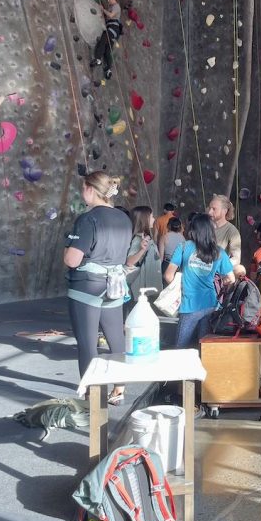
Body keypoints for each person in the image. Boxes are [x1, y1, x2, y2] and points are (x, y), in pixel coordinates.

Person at [64, 172, 132, 404]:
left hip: (87, 286)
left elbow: (72, 259)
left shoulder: (87, 219)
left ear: (91, 189)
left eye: (83, 188)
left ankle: (93, 397)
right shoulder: (124, 218)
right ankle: (119, 389)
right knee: (116, 340)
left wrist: (67, 247)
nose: (82, 193)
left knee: (88, 343)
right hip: (114, 284)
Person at [164, 214, 235, 347]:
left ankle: (181, 367)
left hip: (189, 304)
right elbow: (231, 279)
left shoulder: (184, 247)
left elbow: (168, 275)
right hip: (210, 304)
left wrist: (179, 287)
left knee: (180, 347)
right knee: (204, 347)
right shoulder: (219, 252)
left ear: (193, 229)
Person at [125, 206, 162, 301]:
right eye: (152, 216)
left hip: (145, 287)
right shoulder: (138, 239)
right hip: (139, 288)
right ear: (144, 219)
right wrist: (142, 250)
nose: (154, 219)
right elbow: (129, 262)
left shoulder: (144, 237)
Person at [89, 0, 122, 82]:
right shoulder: (112, 4)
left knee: (103, 41)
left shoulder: (116, 7)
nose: (107, 0)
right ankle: (108, 70)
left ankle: (98, 59)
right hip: (114, 31)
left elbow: (111, 15)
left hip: (112, 28)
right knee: (108, 50)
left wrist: (103, 10)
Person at [207, 194, 242, 271]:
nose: (209, 212)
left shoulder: (232, 231)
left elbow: (236, 258)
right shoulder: (204, 227)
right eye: (209, 208)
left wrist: (220, 267)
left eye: (214, 209)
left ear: (224, 211)